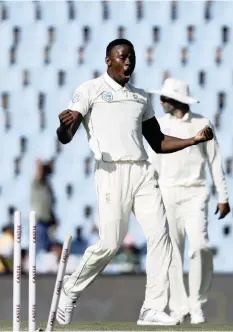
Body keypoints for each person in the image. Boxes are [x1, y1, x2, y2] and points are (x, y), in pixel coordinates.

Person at [56, 39, 213, 326]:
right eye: (122, 57)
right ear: (108, 60)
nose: (128, 62)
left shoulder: (141, 97)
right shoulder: (89, 89)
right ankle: (69, 289)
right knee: (109, 243)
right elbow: (67, 135)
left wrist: (193, 139)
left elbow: (158, 141)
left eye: (132, 57)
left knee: (160, 236)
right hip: (111, 172)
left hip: (142, 171)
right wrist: (64, 126)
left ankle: (151, 308)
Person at [148, 78, 230, 324]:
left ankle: (196, 305)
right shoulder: (159, 125)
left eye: (164, 98)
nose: (160, 101)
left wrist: (223, 196)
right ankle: (178, 307)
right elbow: (152, 165)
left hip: (196, 192)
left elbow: (215, 161)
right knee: (172, 252)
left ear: (177, 100)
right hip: (167, 192)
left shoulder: (202, 123)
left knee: (200, 247)